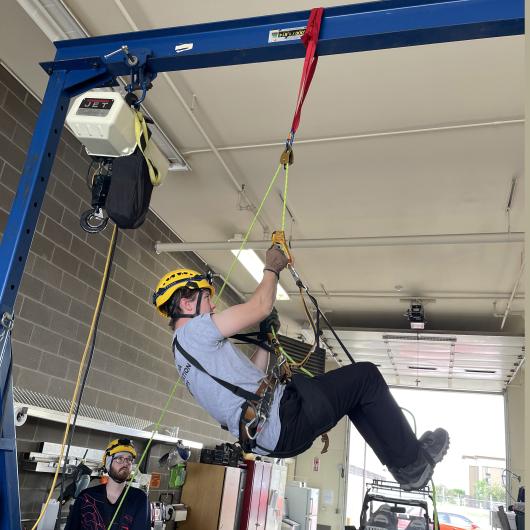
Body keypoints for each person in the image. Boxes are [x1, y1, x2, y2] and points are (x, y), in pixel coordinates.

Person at [152, 247, 449, 490]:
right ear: (186, 300)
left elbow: (255, 380)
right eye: (206, 297)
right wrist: (272, 267)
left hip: (273, 431)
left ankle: (405, 464)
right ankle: (411, 465)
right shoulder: (193, 334)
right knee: (366, 376)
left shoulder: (184, 354)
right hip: (284, 419)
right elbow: (260, 306)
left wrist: (267, 342)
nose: (213, 307)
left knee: (356, 393)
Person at [65, 439, 150, 530]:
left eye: (129, 459)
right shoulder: (86, 497)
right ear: (108, 463)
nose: (125, 463)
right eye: (119, 459)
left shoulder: (139, 498)